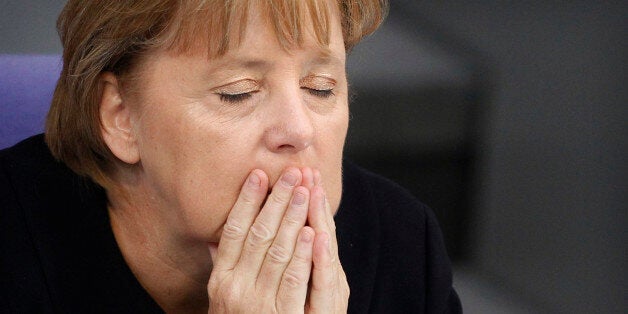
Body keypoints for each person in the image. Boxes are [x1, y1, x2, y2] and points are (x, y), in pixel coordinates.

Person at [0, 0, 461, 313]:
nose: (299, 130)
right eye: (237, 94)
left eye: (321, 87)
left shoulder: (403, 244)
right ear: (120, 116)